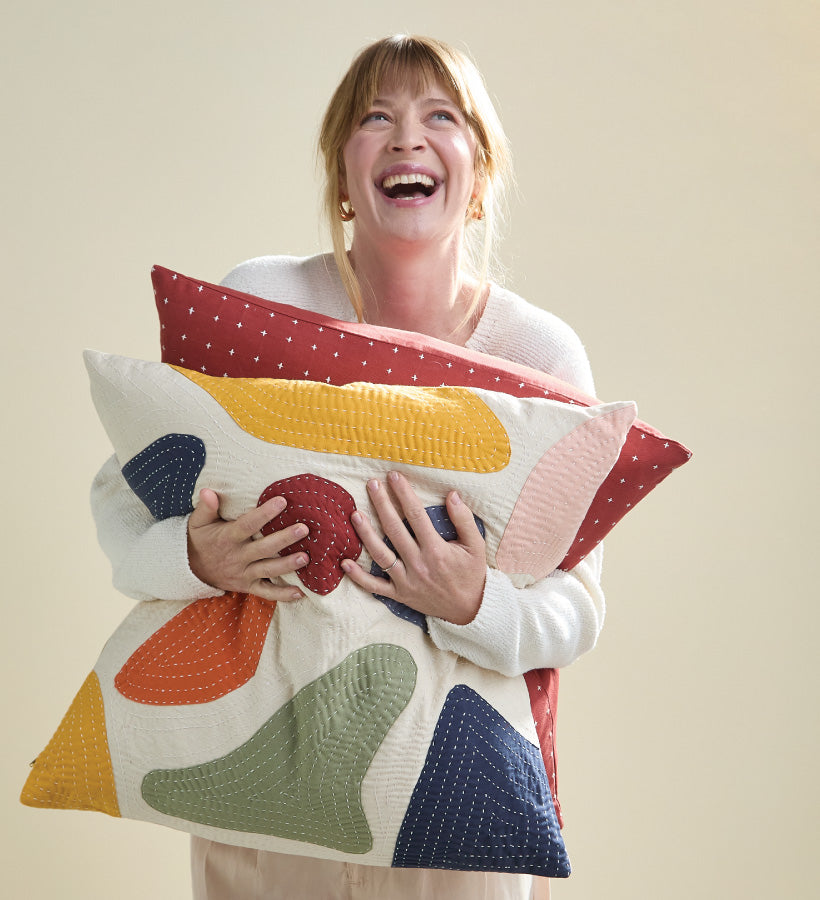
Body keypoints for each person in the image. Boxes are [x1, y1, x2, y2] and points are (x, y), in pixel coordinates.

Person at [91, 34, 604, 900]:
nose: (408, 137)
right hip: (263, 798)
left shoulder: (540, 353)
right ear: (340, 173)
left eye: (440, 116)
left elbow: (579, 607)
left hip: (457, 814)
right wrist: (193, 556)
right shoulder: (262, 303)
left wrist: (474, 603)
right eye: (377, 118)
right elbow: (124, 494)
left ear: (478, 175)